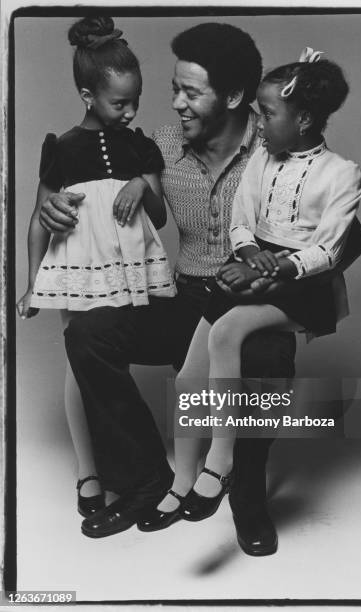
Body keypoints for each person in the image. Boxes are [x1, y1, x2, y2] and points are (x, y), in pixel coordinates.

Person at [39, 23, 361, 555]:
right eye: (174, 89)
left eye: (190, 93)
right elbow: (78, 168)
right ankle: (148, 479)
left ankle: (246, 496)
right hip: (185, 297)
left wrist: (280, 270)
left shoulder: (278, 143)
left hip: (255, 299)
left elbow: (348, 238)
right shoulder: (159, 145)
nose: (176, 105)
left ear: (235, 97)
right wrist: (51, 204)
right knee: (89, 336)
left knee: (263, 355)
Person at [137, 49, 361, 532]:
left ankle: (220, 466)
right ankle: (182, 481)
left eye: (268, 114)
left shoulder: (341, 173)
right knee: (187, 381)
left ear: (303, 118)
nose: (258, 124)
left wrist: (278, 264)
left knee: (229, 332)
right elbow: (242, 222)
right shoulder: (263, 157)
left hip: (304, 290)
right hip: (252, 272)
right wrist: (249, 252)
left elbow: (329, 250)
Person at [16, 16, 175, 519]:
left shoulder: (139, 144)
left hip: (128, 267)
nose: (129, 112)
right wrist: (29, 282)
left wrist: (140, 185)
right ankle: (90, 470)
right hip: (77, 268)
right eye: (118, 103)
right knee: (80, 363)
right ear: (88, 95)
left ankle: (132, 472)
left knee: (104, 359)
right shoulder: (62, 148)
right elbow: (39, 221)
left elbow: (160, 214)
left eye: (135, 101)